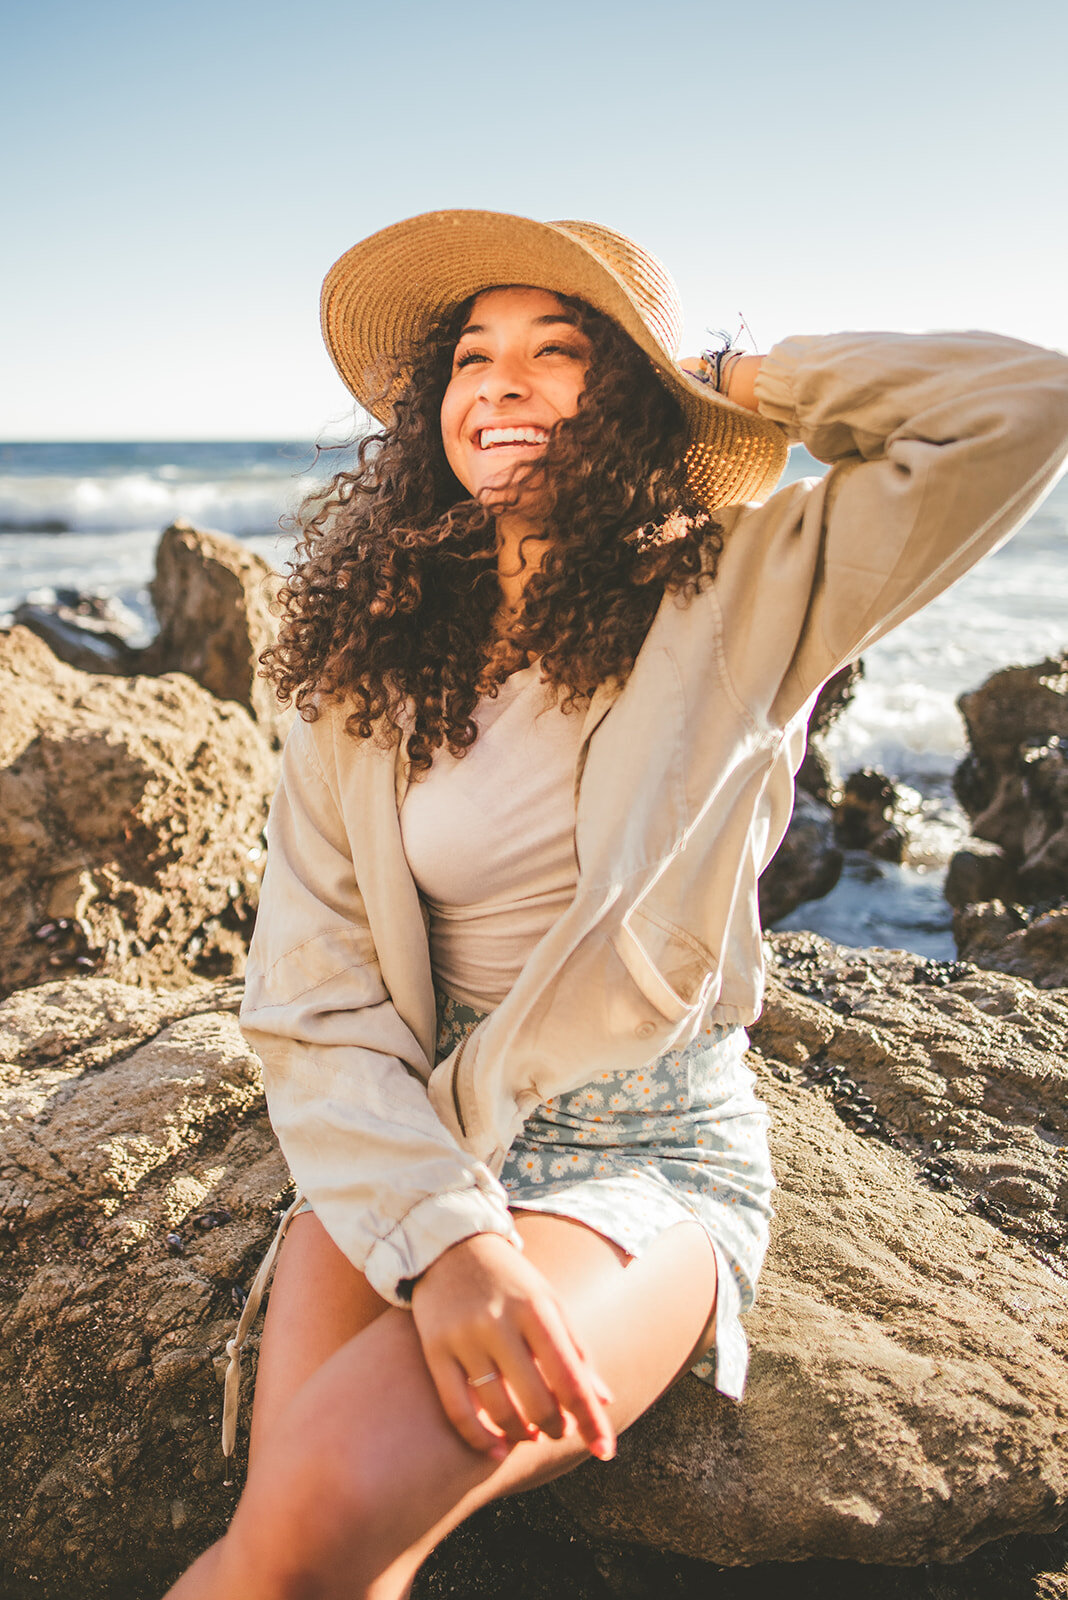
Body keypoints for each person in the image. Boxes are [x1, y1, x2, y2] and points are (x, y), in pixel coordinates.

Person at [164, 211, 1068, 1600]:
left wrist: (732, 376)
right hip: (416, 1128)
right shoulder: (368, 654)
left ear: (634, 399)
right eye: (471, 358)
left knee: (325, 1501)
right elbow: (315, 997)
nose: (500, 384)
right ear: (433, 410)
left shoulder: (748, 589)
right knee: (302, 1547)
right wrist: (449, 1231)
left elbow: (1022, 407)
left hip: (641, 1148)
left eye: (561, 352)